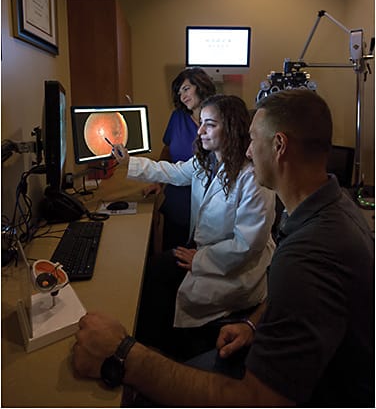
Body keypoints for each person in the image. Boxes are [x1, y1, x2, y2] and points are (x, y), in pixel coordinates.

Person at [73, 89, 374, 407]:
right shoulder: (335, 207)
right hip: (266, 330)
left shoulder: (307, 256)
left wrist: (125, 356)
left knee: (144, 399)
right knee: (160, 274)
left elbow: (260, 400)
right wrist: (252, 323)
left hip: (314, 392)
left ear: (278, 146)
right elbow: (296, 301)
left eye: (252, 139)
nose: (246, 149)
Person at [119, 94, 275, 359]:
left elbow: (246, 245)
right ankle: (152, 346)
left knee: (157, 275)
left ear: (233, 128)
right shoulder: (208, 161)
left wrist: (200, 260)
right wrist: (129, 162)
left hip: (234, 266)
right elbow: (173, 172)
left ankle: (163, 354)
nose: (200, 131)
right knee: (155, 270)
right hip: (209, 250)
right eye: (201, 123)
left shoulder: (253, 179)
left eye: (210, 124)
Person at [145, 67, 216, 252]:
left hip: (210, 200)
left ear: (200, 86)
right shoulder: (177, 117)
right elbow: (167, 150)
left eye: (186, 89)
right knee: (174, 256)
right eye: (179, 92)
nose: (182, 96)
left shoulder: (219, 117)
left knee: (204, 259)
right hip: (178, 197)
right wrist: (158, 181)